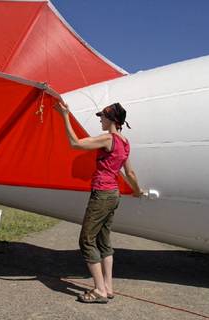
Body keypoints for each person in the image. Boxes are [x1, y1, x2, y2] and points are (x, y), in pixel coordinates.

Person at [56, 101, 142, 303]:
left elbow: (75, 143)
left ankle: (99, 290)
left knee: (86, 240)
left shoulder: (107, 139)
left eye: (102, 117)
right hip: (114, 194)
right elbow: (129, 172)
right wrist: (137, 191)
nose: (100, 120)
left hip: (102, 194)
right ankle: (108, 288)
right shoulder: (125, 142)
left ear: (112, 119)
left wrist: (65, 116)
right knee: (104, 241)